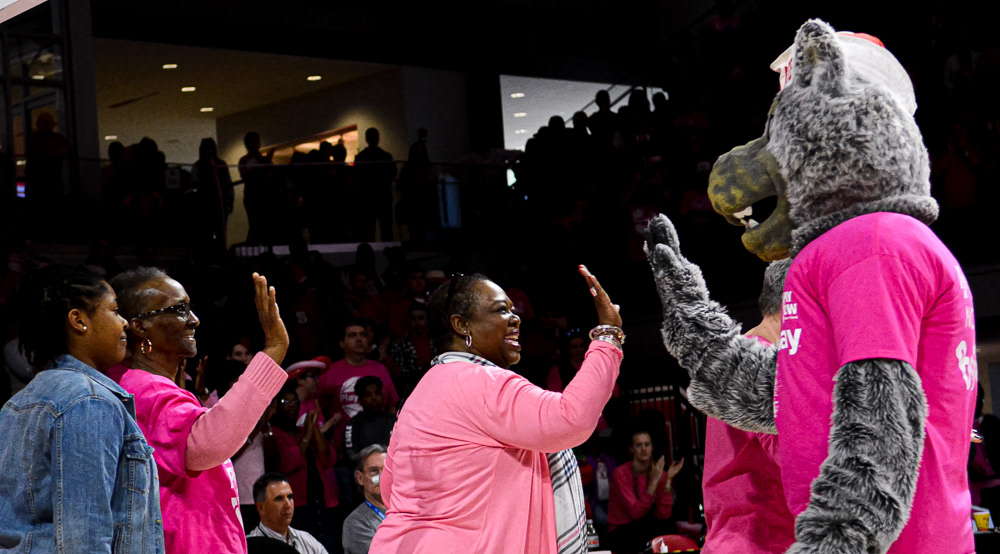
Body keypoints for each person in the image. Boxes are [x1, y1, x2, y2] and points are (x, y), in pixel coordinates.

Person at [369, 266, 623, 553]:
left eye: (514, 310)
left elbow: (391, 490)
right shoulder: (482, 382)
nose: (516, 319)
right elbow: (570, 418)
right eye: (501, 310)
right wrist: (608, 338)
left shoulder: (418, 396)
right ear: (461, 325)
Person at [110, 268, 290, 554]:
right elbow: (209, 444)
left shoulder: (156, 389)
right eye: (179, 309)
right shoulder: (146, 392)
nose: (194, 320)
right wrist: (274, 351)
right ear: (140, 327)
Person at [0, 265, 165, 553]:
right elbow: (84, 539)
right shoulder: (89, 401)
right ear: (78, 321)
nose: (125, 323)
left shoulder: (15, 405)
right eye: (114, 311)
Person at [701, 260, 796, 553]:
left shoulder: (751, 356)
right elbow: (794, 456)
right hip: (756, 542)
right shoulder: (757, 363)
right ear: (792, 304)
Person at [265, 384, 340, 551]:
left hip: (322, 498)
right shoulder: (275, 433)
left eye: (295, 401)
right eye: (286, 401)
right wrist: (307, 436)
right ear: (277, 405)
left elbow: (328, 458)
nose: (292, 405)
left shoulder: (303, 429)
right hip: (296, 503)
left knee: (327, 547)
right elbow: (287, 463)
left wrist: (314, 430)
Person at [605, 430, 684, 551]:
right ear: (631, 449)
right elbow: (636, 513)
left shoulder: (658, 472)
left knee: (669, 527)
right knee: (645, 530)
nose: (643, 448)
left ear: (652, 448)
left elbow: (664, 514)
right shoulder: (621, 474)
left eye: (647, 444)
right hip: (622, 530)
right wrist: (653, 483)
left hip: (646, 526)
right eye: (638, 445)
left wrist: (667, 479)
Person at [248, 473, 329, 554]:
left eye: (290, 497)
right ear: (261, 508)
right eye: (279, 499)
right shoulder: (249, 547)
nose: (288, 505)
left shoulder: (306, 539)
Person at [191, 137, 234, 257]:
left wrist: (229, 200)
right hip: (204, 203)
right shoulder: (198, 166)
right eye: (206, 148)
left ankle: (221, 255)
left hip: (219, 203)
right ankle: (206, 256)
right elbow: (193, 183)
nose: (209, 150)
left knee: (221, 231)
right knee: (205, 232)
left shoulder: (221, 165)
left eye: (211, 147)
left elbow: (227, 183)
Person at [343, 444, 388, 554]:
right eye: (374, 471)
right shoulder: (355, 523)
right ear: (360, 478)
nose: (382, 476)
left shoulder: (407, 510)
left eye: (386, 470)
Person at [354, 127, 397, 241]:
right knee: (386, 229)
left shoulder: (360, 157)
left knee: (369, 230)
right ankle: (390, 252)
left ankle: (369, 253)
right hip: (383, 196)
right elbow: (393, 173)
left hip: (368, 198)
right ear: (378, 138)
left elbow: (358, 177)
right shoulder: (386, 156)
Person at [344, 376, 396, 461]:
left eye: (377, 393)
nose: (374, 398)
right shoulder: (354, 424)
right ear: (360, 400)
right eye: (368, 395)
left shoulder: (393, 421)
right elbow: (351, 456)